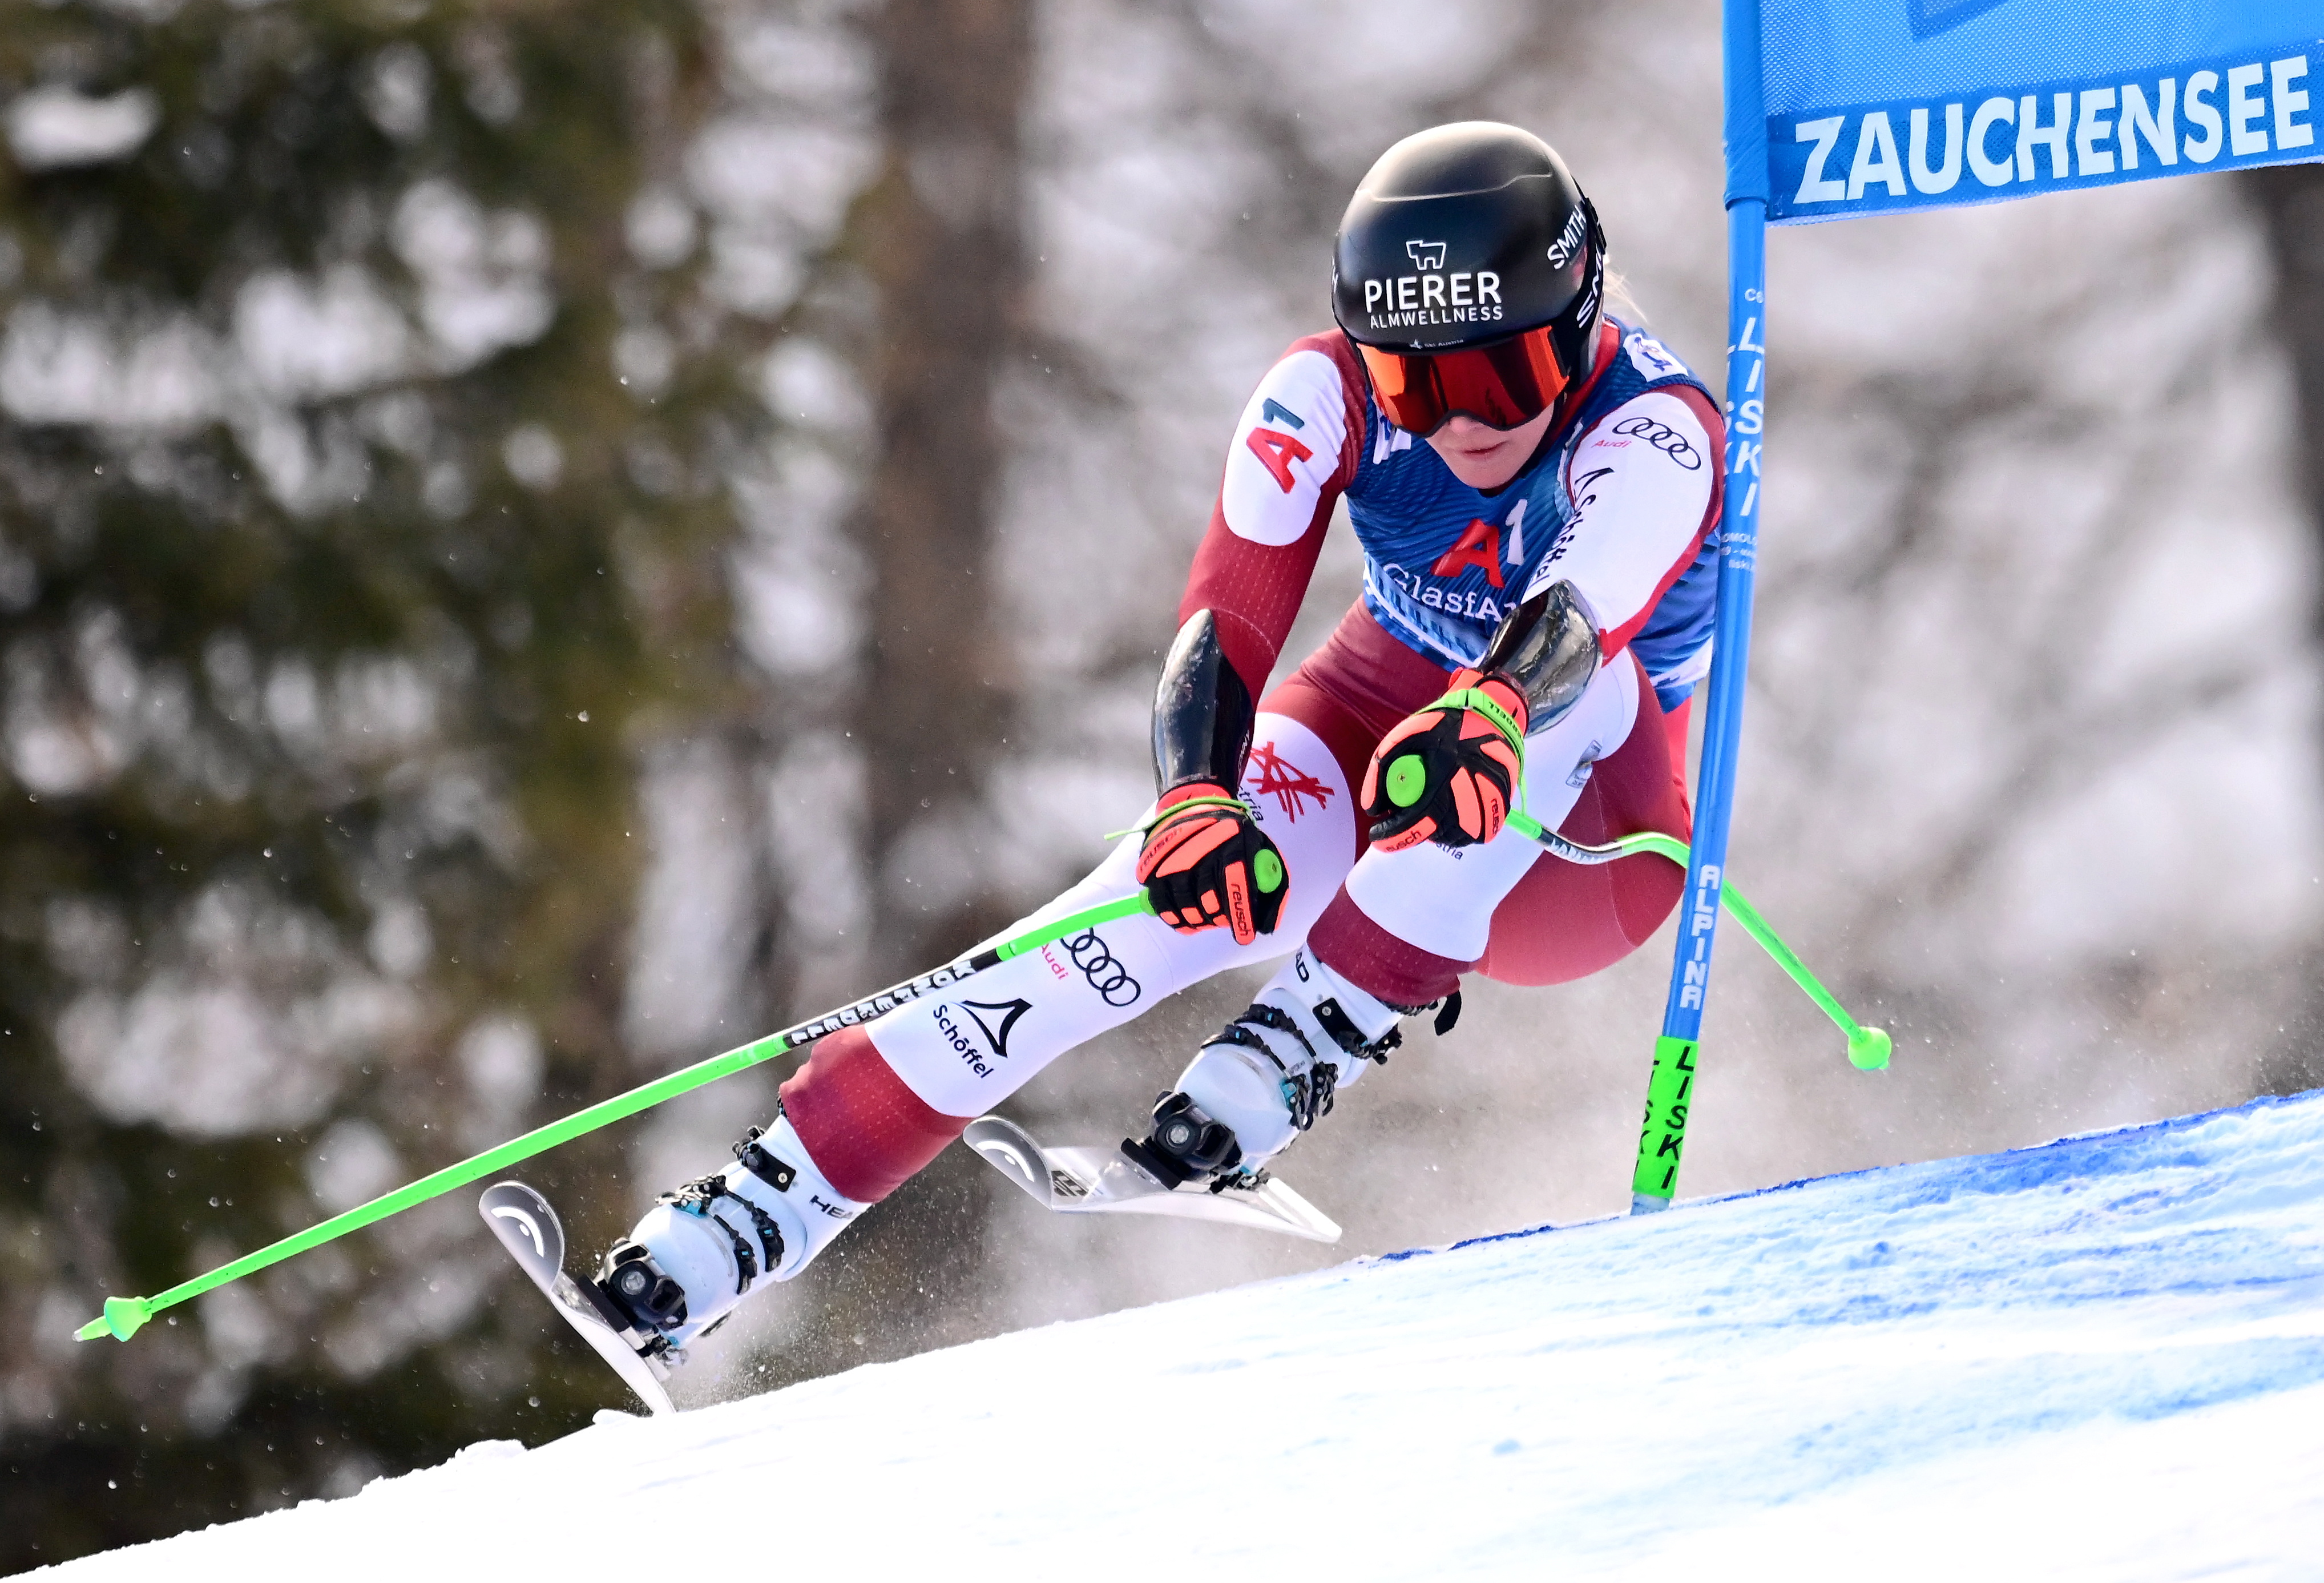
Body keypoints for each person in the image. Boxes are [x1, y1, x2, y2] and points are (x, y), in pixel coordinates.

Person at [588, 121, 1724, 1362]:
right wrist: (1192, 797)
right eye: (1415, 382)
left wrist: (1495, 710)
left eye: (1495, 379)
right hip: (1377, 729)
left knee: (1563, 700)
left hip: (1577, 841)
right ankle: (751, 1214)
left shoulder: (1656, 430)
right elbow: (1225, 619)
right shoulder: (1319, 392)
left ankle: (1310, 1029)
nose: (1458, 422)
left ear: (1576, 316)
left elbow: (1575, 614)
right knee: (1136, 907)